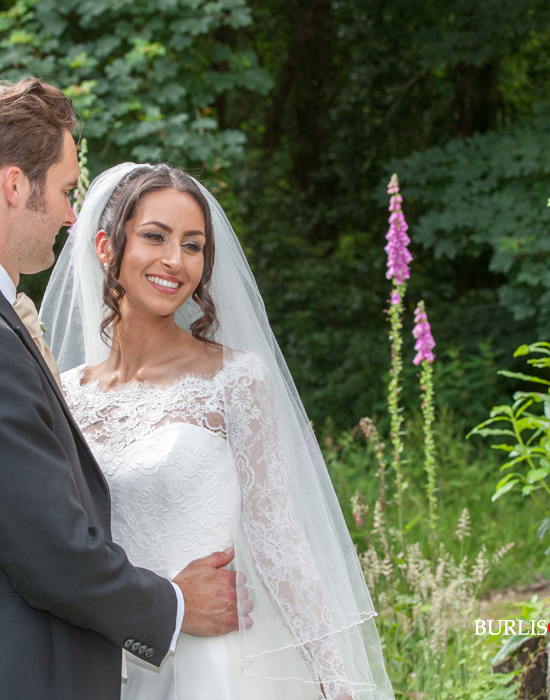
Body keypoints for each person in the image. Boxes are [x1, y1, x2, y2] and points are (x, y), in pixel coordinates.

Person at [0, 79, 243, 700]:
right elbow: (52, 552)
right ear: (14, 186)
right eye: (66, 190)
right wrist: (175, 606)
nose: (74, 213)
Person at [40, 163, 394, 700]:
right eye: (155, 237)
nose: (174, 261)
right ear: (106, 246)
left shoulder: (234, 379)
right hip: (107, 661)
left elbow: (278, 537)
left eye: (192, 245)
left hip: (217, 667)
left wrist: (335, 677)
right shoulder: (65, 394)